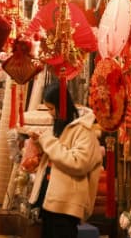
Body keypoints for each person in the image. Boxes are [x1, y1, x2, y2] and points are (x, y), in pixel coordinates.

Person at [28, 82, 103, 238]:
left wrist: (47, 141)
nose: (50, 113)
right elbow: (57, 155)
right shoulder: (61, 127)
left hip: (66, 206)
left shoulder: (83, 131)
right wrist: (39, 143)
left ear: (62, 106)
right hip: (49, 202)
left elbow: (78, 163)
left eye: (51, 109)